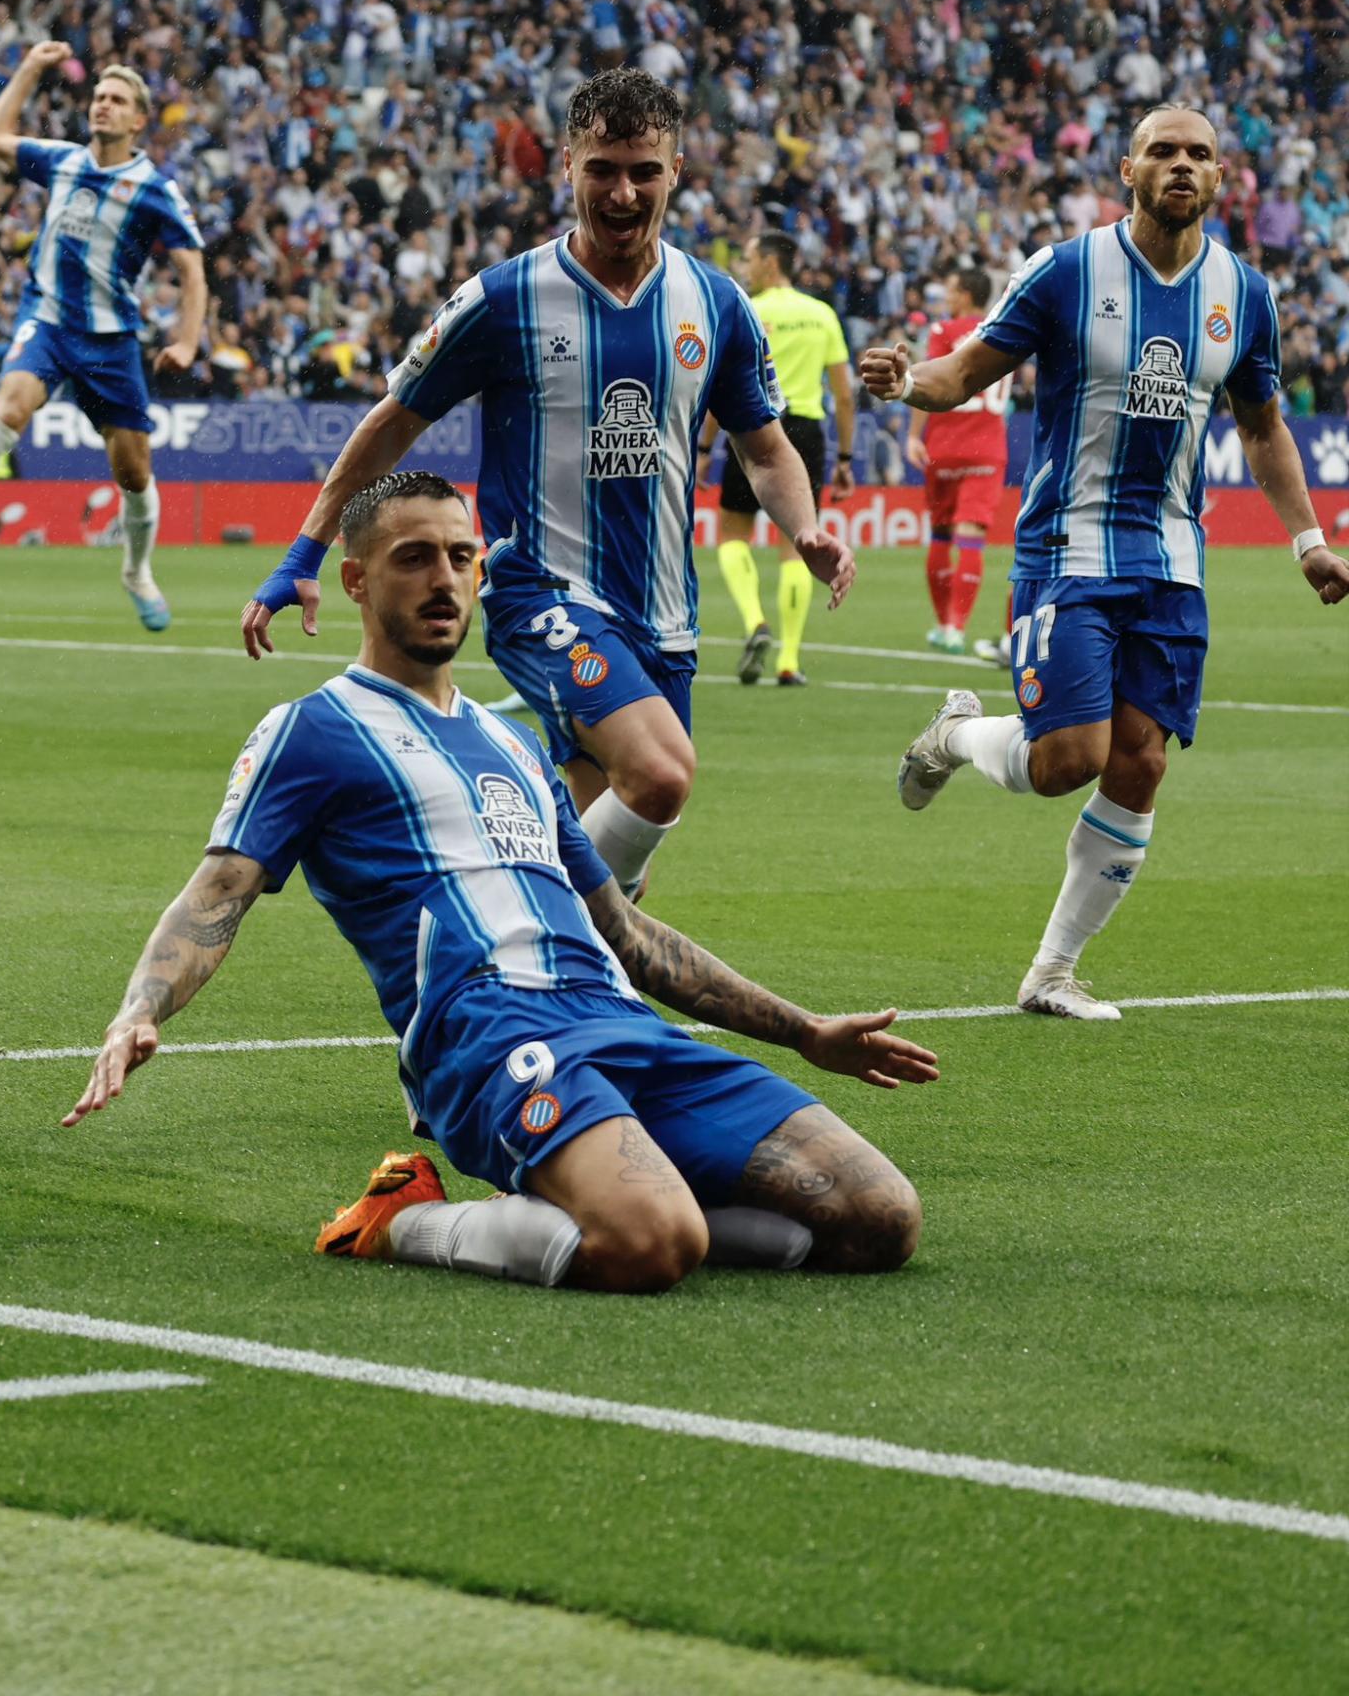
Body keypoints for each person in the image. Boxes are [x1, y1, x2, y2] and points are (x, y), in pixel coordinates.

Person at [70, 472, 931, 1294]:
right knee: (655, 1245)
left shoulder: (515, 746)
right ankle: (399, 1219)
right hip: (488, 1039)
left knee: (878, 1219)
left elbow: (628, 939)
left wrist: (807, 1032)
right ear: (357, 581)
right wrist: (138, 1011)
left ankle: (611, 1200)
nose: (443, 579)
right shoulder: (313, 730)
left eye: (460, 557)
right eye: (414, 558)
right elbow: (219, 892)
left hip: (618, 1023)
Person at [240, 69, 855, 902]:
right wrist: (303, 552)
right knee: (664, 775)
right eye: (603, 168)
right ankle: (514, 924)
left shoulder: (715, 303)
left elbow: (768, 449)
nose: (624, 190)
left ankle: (549, 974)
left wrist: (804, 527)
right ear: (567, 165)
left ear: (676, 171)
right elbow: (390, 422)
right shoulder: (502, 299)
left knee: (611, 854)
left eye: (644, 169)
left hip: (665, 618)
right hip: (541, 593)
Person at [861, 106, 1349, 1019]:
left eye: (1199, 154)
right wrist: (907, 381)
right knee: (1066, 761)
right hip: (1066, 547)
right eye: (1163, 151)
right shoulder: (1066, 270)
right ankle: (956, 735)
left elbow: (1262, 425)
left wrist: (1309, 540)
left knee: (1139, 765)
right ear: (1127, 169)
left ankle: (1052, 972)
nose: (1181, 165)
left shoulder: (1244, 294)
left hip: (1172, 561)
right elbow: (965, 372)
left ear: (1220, 178)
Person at [0, 44, 207, 630]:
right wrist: (29, 69)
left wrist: (189, 340)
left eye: (117, 100)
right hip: (45, 320)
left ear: (139, 120)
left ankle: (136, 571)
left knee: (134, 472)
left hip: (111, 340)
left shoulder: (153, 189)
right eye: (98, 97)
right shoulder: (62, 160)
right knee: (9, 407)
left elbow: (195, 270)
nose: (103, 106)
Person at [706, 231, 856, 686]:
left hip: (755, 425)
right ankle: (789, 659)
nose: (745, 267)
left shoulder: (748, 309)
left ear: (771, 263)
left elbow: (722, 385)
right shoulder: (822, 315)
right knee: (799, 544)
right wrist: (845, 456)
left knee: (733, 530)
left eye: (749, 257)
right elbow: (845, 395)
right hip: (807, 430)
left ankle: (754, 621)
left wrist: (702, 448)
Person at [907, 266, 1012, 655]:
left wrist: (913, 437)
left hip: (945, 444)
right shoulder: (1004, 328)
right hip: (987, 447)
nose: (946, 297)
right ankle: (958, 628)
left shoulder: (943, 332)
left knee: (940, 535)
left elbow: (925, 382)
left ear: (966, 294)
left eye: (950, 289)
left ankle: (944, 624)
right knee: (971, 538)